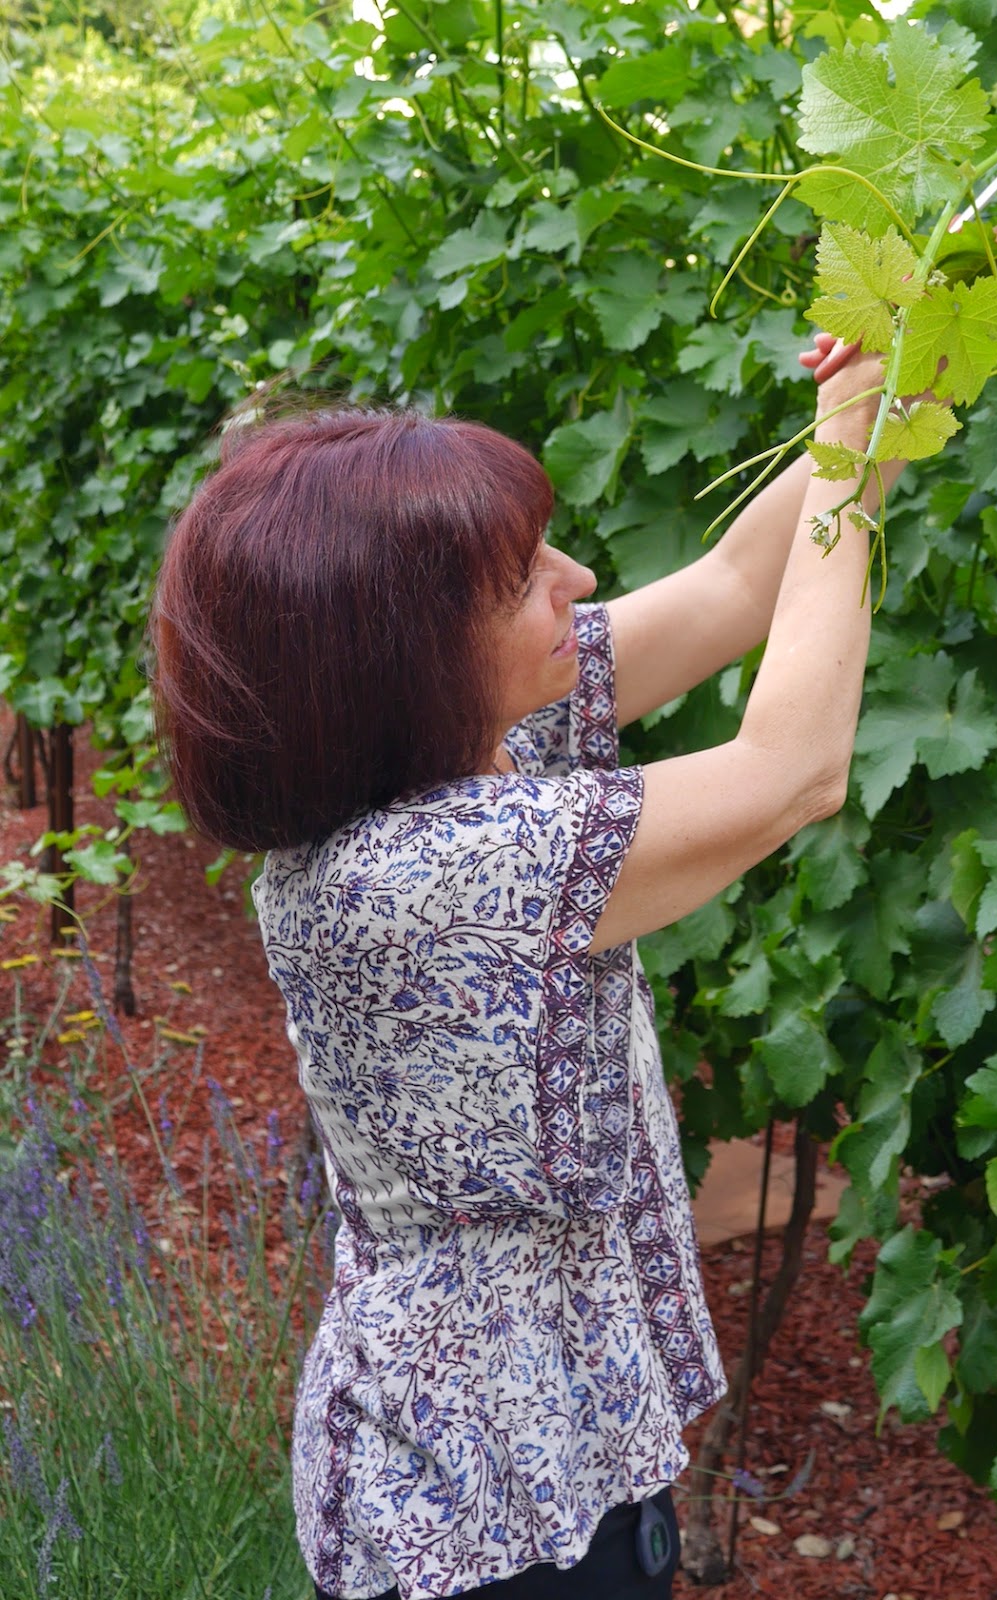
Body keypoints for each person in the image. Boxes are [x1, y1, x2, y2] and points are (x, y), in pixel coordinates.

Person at [148, 330, 894, 1600]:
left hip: (564, 1452)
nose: (578, 576)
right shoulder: (424, 871)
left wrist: (887, 398)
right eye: (521, 579)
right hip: (484, 1516)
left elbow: (727, 588)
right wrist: (870, 418)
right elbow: (794, 771)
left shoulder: (466, 746)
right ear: (401, 657)